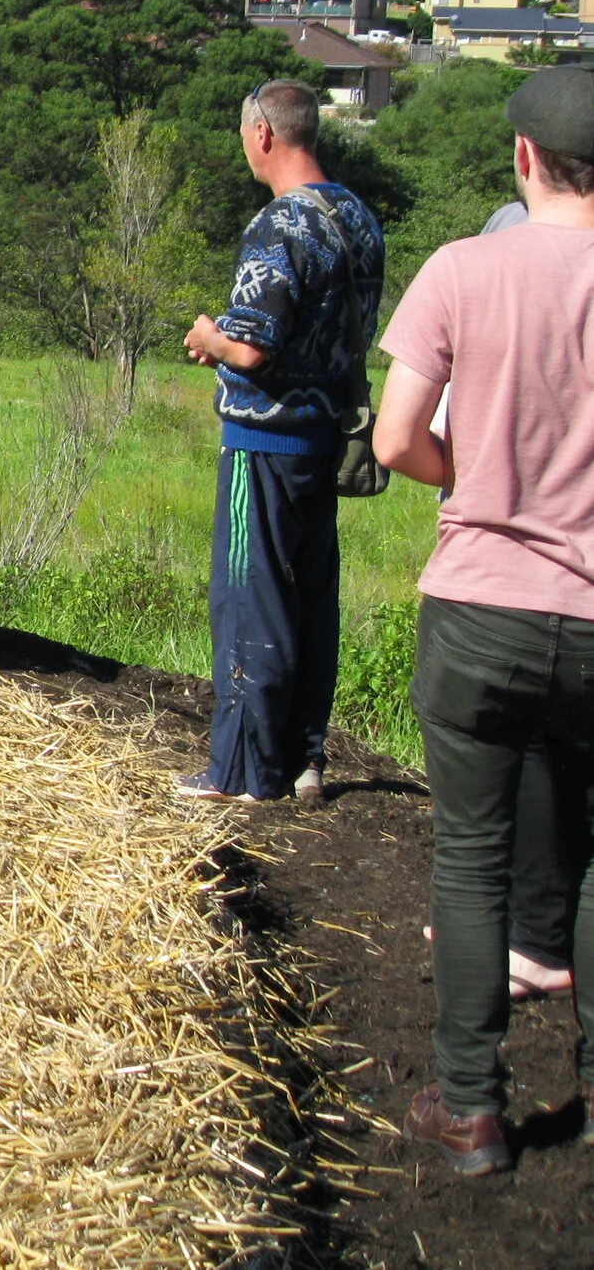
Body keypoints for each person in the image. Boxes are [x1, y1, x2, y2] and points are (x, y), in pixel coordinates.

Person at [372, 65, 594, 1178]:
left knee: (468, 858)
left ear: (522, 159)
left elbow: (395, 441)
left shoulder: (461, 269)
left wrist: (485, 482)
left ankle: (471, 1107)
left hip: (479, 603)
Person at [178, 79, 384, 803]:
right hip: (326, 437)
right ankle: (305, 757)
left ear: (262, 133)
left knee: (248, 597)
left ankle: (241, 769)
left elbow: (253, 348)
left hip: (262, 441)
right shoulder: (358, 218)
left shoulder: (278, 226)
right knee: (307, 599)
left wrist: (210, 337)